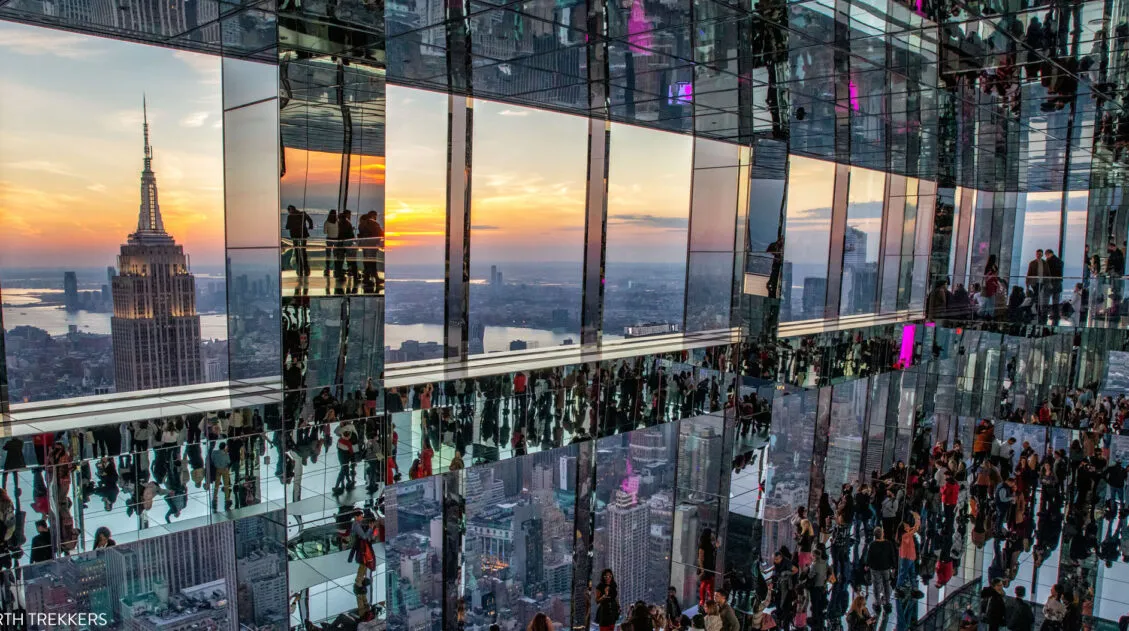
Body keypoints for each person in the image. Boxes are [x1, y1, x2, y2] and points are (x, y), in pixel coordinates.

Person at [867, 526, 896, 611]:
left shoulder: (872, 544)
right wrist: (893, 566)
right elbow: (892, 555)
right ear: (882, 534)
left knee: (876, 585)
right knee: (886, 584)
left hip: (875, 568)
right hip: (886, 567)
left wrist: (867, 565)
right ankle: (887, 602)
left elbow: (869, 556)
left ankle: (877, 603)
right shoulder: (888, 543)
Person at [286, 205, 314, 277]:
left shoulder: (290, 216)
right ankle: (305, 267)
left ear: (290, 210)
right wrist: (310, 226)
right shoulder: (302, 214)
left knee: (297, 250)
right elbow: (310, 220)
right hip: (303, 234)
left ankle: (300, 267)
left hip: (295, 235)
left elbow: (287, 226)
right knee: (303, 250)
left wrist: (291, 226)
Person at [322, 209, 339, 276]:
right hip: (336, 239)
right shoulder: (338, 222)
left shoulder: (327, 222)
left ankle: (327, 269)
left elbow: (325, 232)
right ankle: (336, 270)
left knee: (328, 255)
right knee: (336, 255)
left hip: (329, 239)